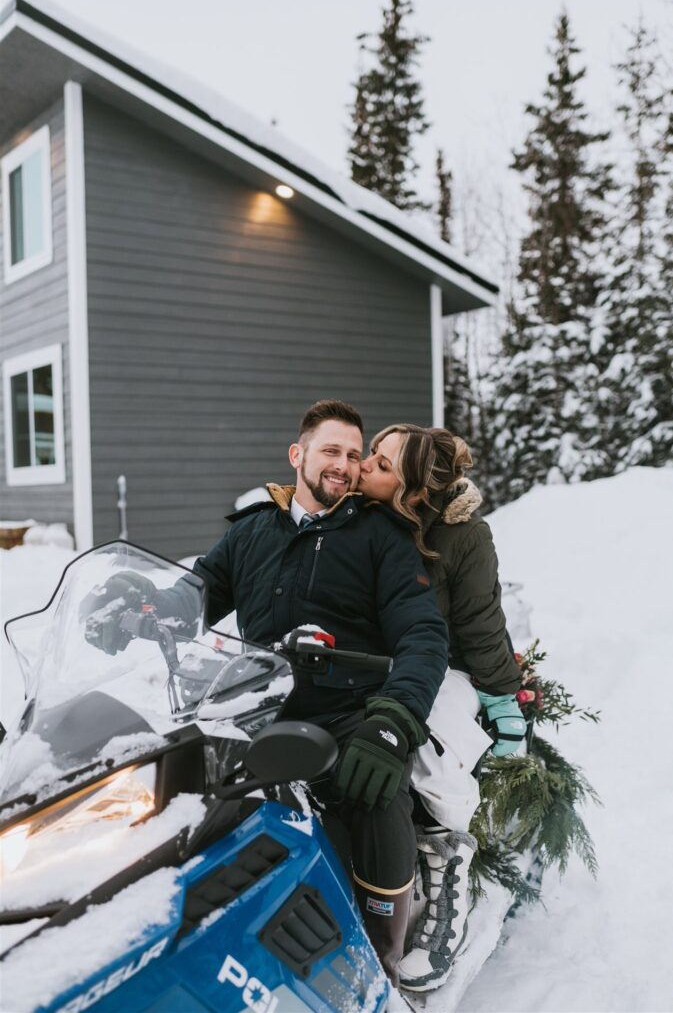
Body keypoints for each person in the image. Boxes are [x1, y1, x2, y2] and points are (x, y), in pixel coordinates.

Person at [84, 400, 449, 986]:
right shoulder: (253, 530)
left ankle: (381, 956)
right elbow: (196, 595)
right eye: (331, 450)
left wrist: (395, 720)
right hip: (259, 707)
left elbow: (423, 633)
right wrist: (140, 606)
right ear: (297, 455)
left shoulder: (382, 537)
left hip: (349, 711)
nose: (345, 465)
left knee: (376, 792)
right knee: (174, 788)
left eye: (355, 456)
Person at [357, 423, 525, 992]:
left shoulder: (463, 537)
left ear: (411, 491)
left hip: (444, 666)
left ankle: (445, 866)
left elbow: (479, 624)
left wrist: (502, 698)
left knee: (434, 752)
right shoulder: (364, 514)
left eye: (379, 465)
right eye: (369, 455)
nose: (363, 468)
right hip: (376, 664)